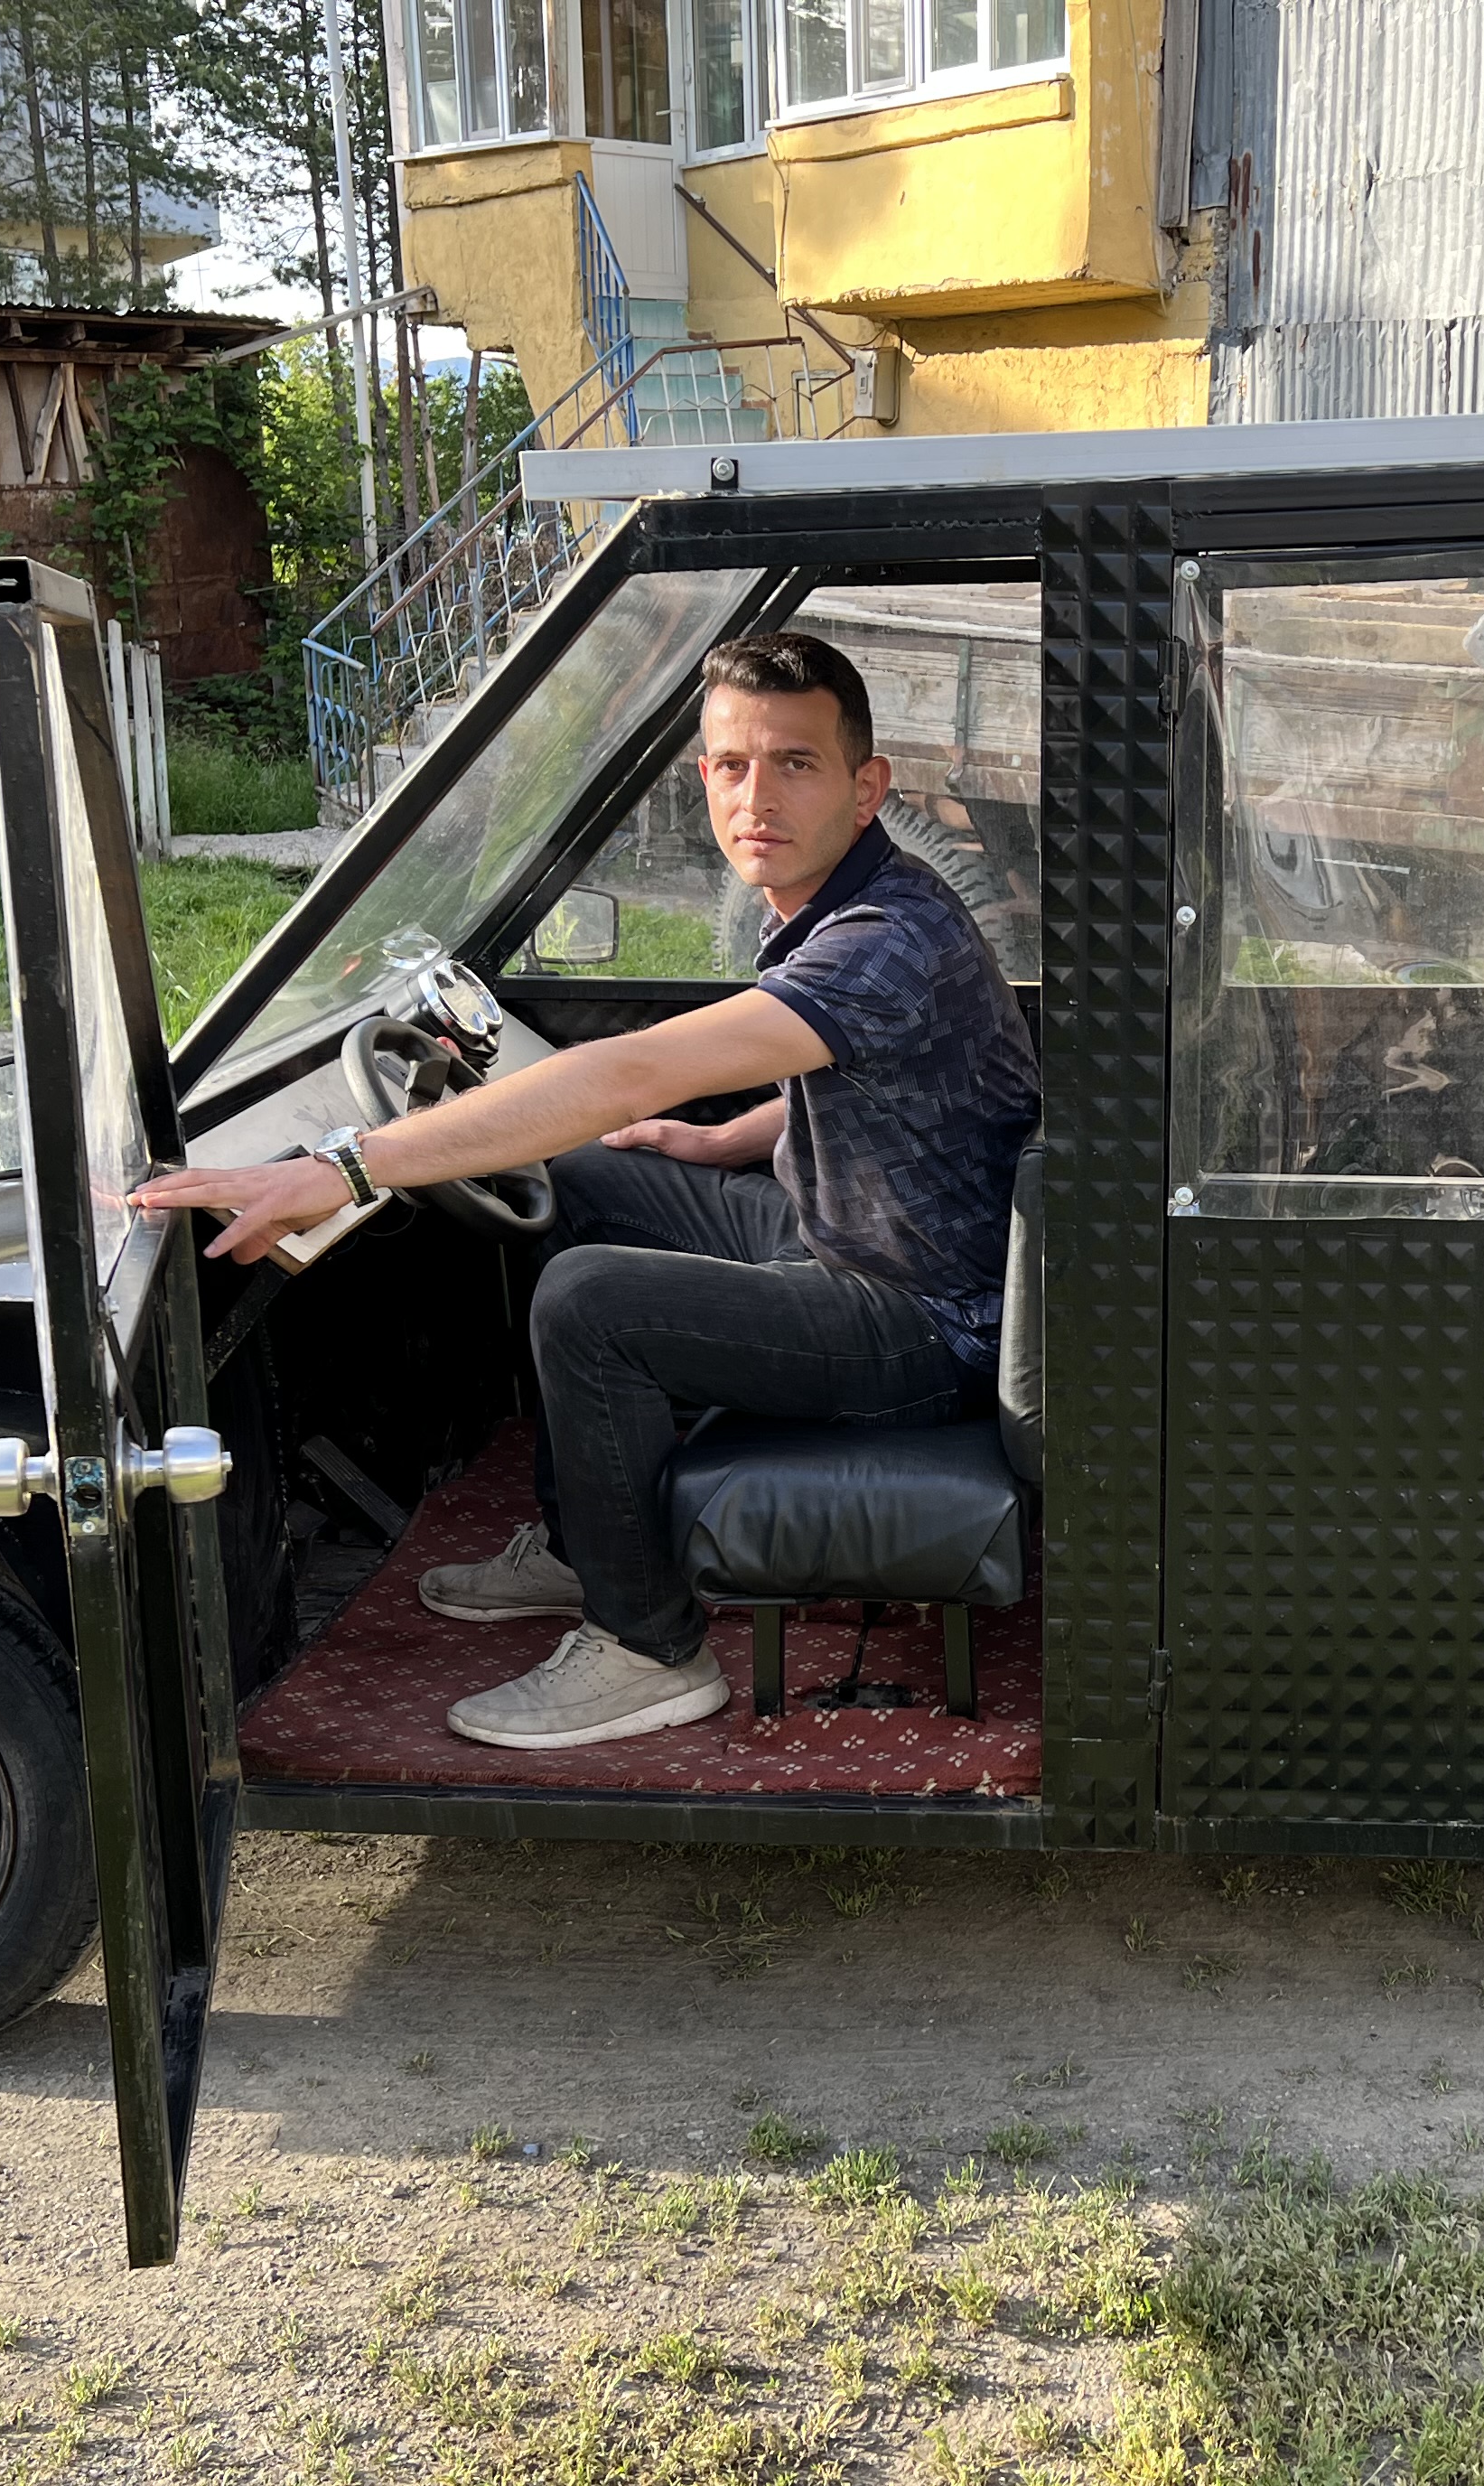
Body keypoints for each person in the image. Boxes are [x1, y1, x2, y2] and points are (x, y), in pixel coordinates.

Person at [130, 632, 1041, 1750]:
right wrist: (725, 1141)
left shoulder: (883, 939)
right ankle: (586, 1545)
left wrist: (344, 1167)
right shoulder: (842, 900)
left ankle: (648, 1649)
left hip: (924, 1323)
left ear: (866, 788)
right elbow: (881, 1080)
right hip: (851, 1236)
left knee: (588, 1301)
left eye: (795, 763)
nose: (756, 797)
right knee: (590, 1179)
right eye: (731, 765)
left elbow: (628, 1071)